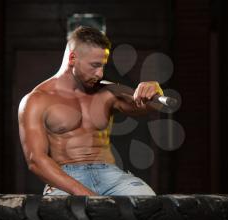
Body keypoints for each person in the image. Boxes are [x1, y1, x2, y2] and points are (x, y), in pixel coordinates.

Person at [18, 26, 164, 196]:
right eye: (95, 66)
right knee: (62, 214)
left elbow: (147, 107)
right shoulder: (36, 100)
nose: (100, 73)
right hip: (65, 178)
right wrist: (88, 196)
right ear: (73, 58)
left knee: (148, 202)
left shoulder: (108, 91)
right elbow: (35, 160)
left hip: (110, 175)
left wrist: (155, 92)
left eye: (102, 66)